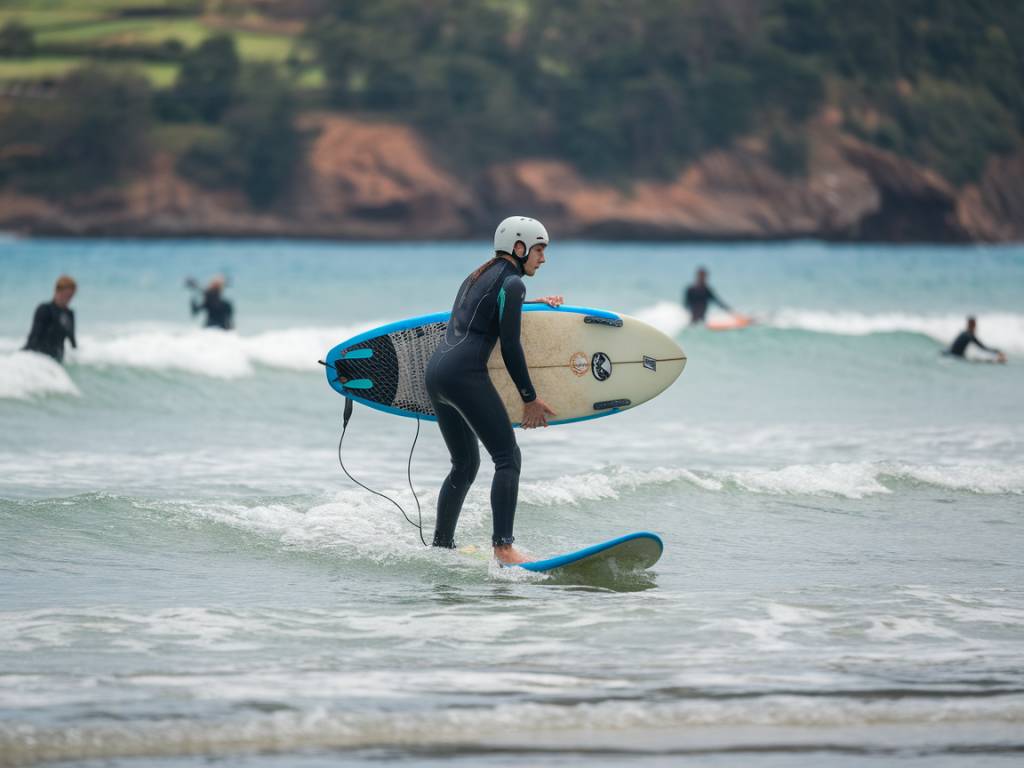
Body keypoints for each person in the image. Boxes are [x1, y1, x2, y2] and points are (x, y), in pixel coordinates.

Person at [425, 216, 562, 565]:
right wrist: (529, 399)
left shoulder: (478, 275)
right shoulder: (513, 284)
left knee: (465, 463)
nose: (543, 258)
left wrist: (532, 305)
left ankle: (441, 547)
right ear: (520, 247)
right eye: (539, 249)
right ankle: (504, 548)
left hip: (437, 374)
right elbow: (511, 345)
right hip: (466, 375)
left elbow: (482, 313)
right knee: (507, 458)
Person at [23, 275, 77, 363]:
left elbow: (73, 343)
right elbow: (34, 338)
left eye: (70, 296)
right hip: (38, 358)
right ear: (57, 291)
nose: (68, 299)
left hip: (56, 360)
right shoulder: (44, 309)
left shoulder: (69, 314)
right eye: (66, 295)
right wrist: (26, 357)